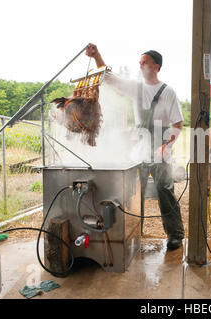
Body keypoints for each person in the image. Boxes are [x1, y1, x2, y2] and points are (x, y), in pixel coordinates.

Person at [85, 44, 185, 251]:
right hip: (139, 149)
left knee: (164, 190)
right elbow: (109, 77)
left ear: (156, 66)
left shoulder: (168, 92)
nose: (141, 66)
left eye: (145, 63)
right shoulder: (135, 88)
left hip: (161, 146)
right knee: (132, 192)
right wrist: (97, 56)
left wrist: (166, 145)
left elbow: (178, 125)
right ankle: (132, 232)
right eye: (139, 63)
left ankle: (175, 235)